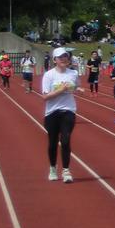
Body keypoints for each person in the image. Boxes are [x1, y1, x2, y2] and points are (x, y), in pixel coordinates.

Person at [41, 47, 80, 183]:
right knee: (52, 142)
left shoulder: (73, 73)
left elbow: (75, 86)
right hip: (52, 112)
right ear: (55, 60)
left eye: (65, 56)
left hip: (68, 110)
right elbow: (45, 97)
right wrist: (61, 90)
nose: (64, 59)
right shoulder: (49, 75)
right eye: (60, 57)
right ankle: (52, 168)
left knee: (65, 140)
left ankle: (66, 170)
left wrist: (77, 89)